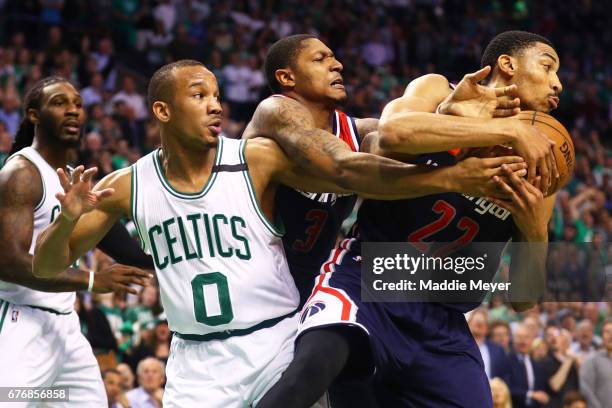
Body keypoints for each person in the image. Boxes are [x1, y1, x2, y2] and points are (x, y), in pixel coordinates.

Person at [32, 60, 523, 407]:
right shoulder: (127, 186)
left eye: (217, 96)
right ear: (162, 111)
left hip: (277, 343)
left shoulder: (256, 159)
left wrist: (448, 166)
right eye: (199, 95)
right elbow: (46, 265)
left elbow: (351, 171)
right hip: (196, 365)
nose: (214, 106)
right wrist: (69, 220)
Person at [258, 30, 563, 408]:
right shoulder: (440, 90)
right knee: (310, 372)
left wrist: (534, 229)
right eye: (548, 67)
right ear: (507, 64)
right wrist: (502, 127)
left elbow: (523, 298)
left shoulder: (542, 164)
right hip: (369, 281)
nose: (557, 83)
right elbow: (392, 133)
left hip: (442, 318)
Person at [0, 76, 153, 406]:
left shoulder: (74, 177)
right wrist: (93, 280)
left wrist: (171, 256)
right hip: (18, 322)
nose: (72, 111)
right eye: (59, 103)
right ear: (33, 115)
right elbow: (8, 263)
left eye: (78, 105)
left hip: (66, 326)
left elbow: (124, 248)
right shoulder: (21, 174)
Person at [579, 319, 612, 408]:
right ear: (602, 337)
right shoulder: (592, 360)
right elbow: (586, 390)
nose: (611, 335)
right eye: (607, 332)